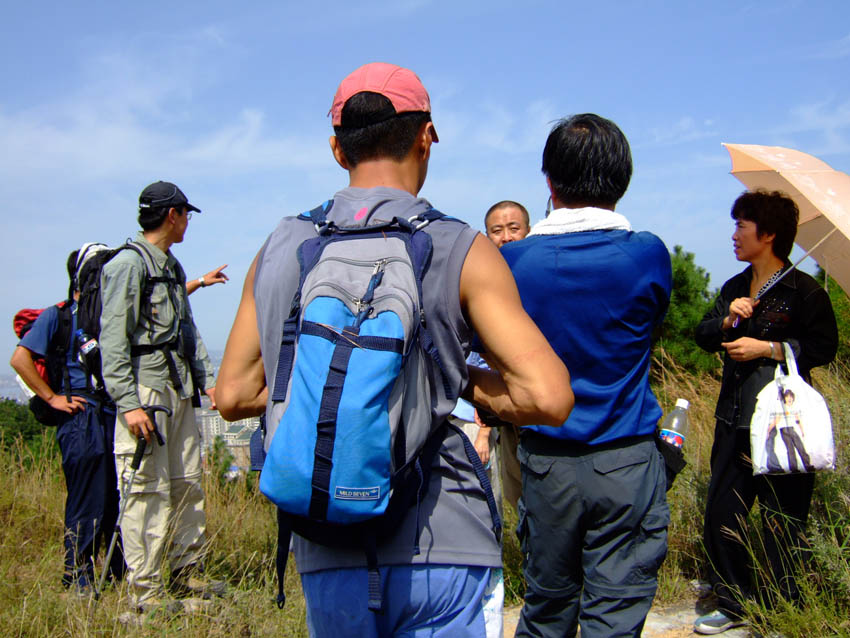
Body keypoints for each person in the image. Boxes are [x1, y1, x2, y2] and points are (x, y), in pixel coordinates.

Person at [216, 62, 573, 638]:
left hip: (327, 545)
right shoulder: (461, 246)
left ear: (337, 149)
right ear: (426, 136)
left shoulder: (281, 246)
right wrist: (447, 376)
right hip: (442, 541)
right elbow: (548, 397)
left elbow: (232, 395)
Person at [501, 113, 673, 638]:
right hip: (626, 457)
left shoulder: (515, 262)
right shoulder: (647, 254)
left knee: (547, 608)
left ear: (549, 182)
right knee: (614, 614)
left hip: (546, 461)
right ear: (622, 180)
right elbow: (652, 327)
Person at [693, 190, 837, 634]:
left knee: (783, 519)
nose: (734, 234)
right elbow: (703, 335)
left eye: (742, 225)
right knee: (723, 513)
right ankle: (732, 603)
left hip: (782, 422)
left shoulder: (804, 290)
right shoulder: (735, 287)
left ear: (769, 233)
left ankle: (781, 609)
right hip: (733, 417)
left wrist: (769, 348)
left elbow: (823, 347)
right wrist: (727, 321)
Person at [99, 181, 223, 612]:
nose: (188, 222)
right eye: (186, 214)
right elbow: (113, 339)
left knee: (187, 483)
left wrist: (207, 380)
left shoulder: (171, 266)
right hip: (146, 391)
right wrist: (128, 403)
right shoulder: (128, 265)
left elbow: (187, 329)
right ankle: (145, 594)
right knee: (145, 491)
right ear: (172, 215)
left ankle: (188, 574)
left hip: (178, 388)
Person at [10, 250, 126, 595]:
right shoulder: (59, 315)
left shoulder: (105, 313)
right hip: (79, 417)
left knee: (114, 497)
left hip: (107, 413)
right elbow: (20, 358)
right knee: (86, 497)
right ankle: (78, 575)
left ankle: (115, 572)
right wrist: (52, 398)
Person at [451, 200, 531, 512]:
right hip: (490, 410)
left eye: (514, 228)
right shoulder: (479, 280)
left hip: (532, 408)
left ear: (528, 231)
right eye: (497, 231)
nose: (506, 237)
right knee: (510, 492)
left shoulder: (534, 278)